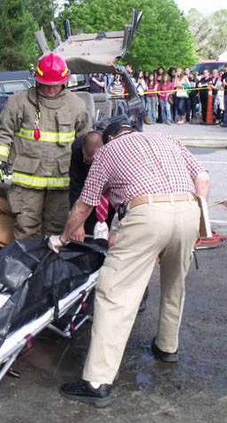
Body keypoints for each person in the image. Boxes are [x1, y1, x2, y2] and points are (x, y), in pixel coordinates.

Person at [48, 122, 210, 408]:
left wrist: (62, 237)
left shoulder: (108, 151)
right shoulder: (167, 138)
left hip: (146, 214)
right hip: (188, 210)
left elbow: (85, 205)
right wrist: (196, 216)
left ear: (109, 137)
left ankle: (96, 382)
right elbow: (202, 178)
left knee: (115, 294)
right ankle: (167, 347)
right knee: (175, 284)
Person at [0, 52, 91, 239]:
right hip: (26, 182)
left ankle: (50, 268)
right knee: (25, 229)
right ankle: (26, 267)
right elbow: (4, 132)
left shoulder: (76, 105)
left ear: (65, 81)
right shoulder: (19, 102)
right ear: (37, 80)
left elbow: (85, 143)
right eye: (46, 85)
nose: (51, 90)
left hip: (61, 184)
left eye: (55, 85)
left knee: (57, 231)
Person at [69, 131, 106, 238]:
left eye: (94, 161)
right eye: (87, 161)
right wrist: (78, 223)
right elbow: (76, 185)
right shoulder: (77, 148)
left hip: (111, 197)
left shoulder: (115, 148)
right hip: (88, 194)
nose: (91, 166)